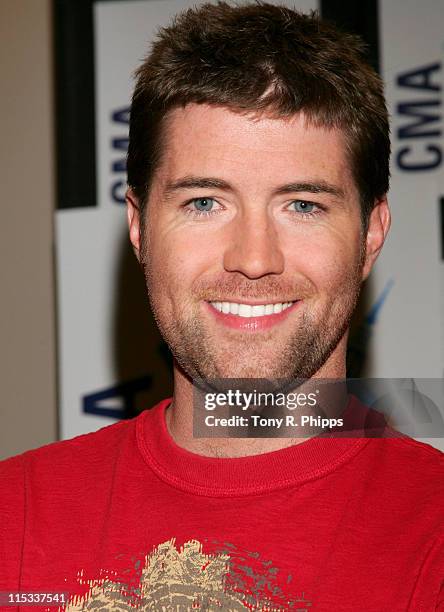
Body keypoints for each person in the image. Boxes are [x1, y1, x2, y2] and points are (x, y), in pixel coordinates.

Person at [1, 3, 442, 610]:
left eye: (303, 205)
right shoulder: (13, 515)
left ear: (371, 234)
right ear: (138, 225)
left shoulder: (431, 530)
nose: (254, 259)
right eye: (206, 202)